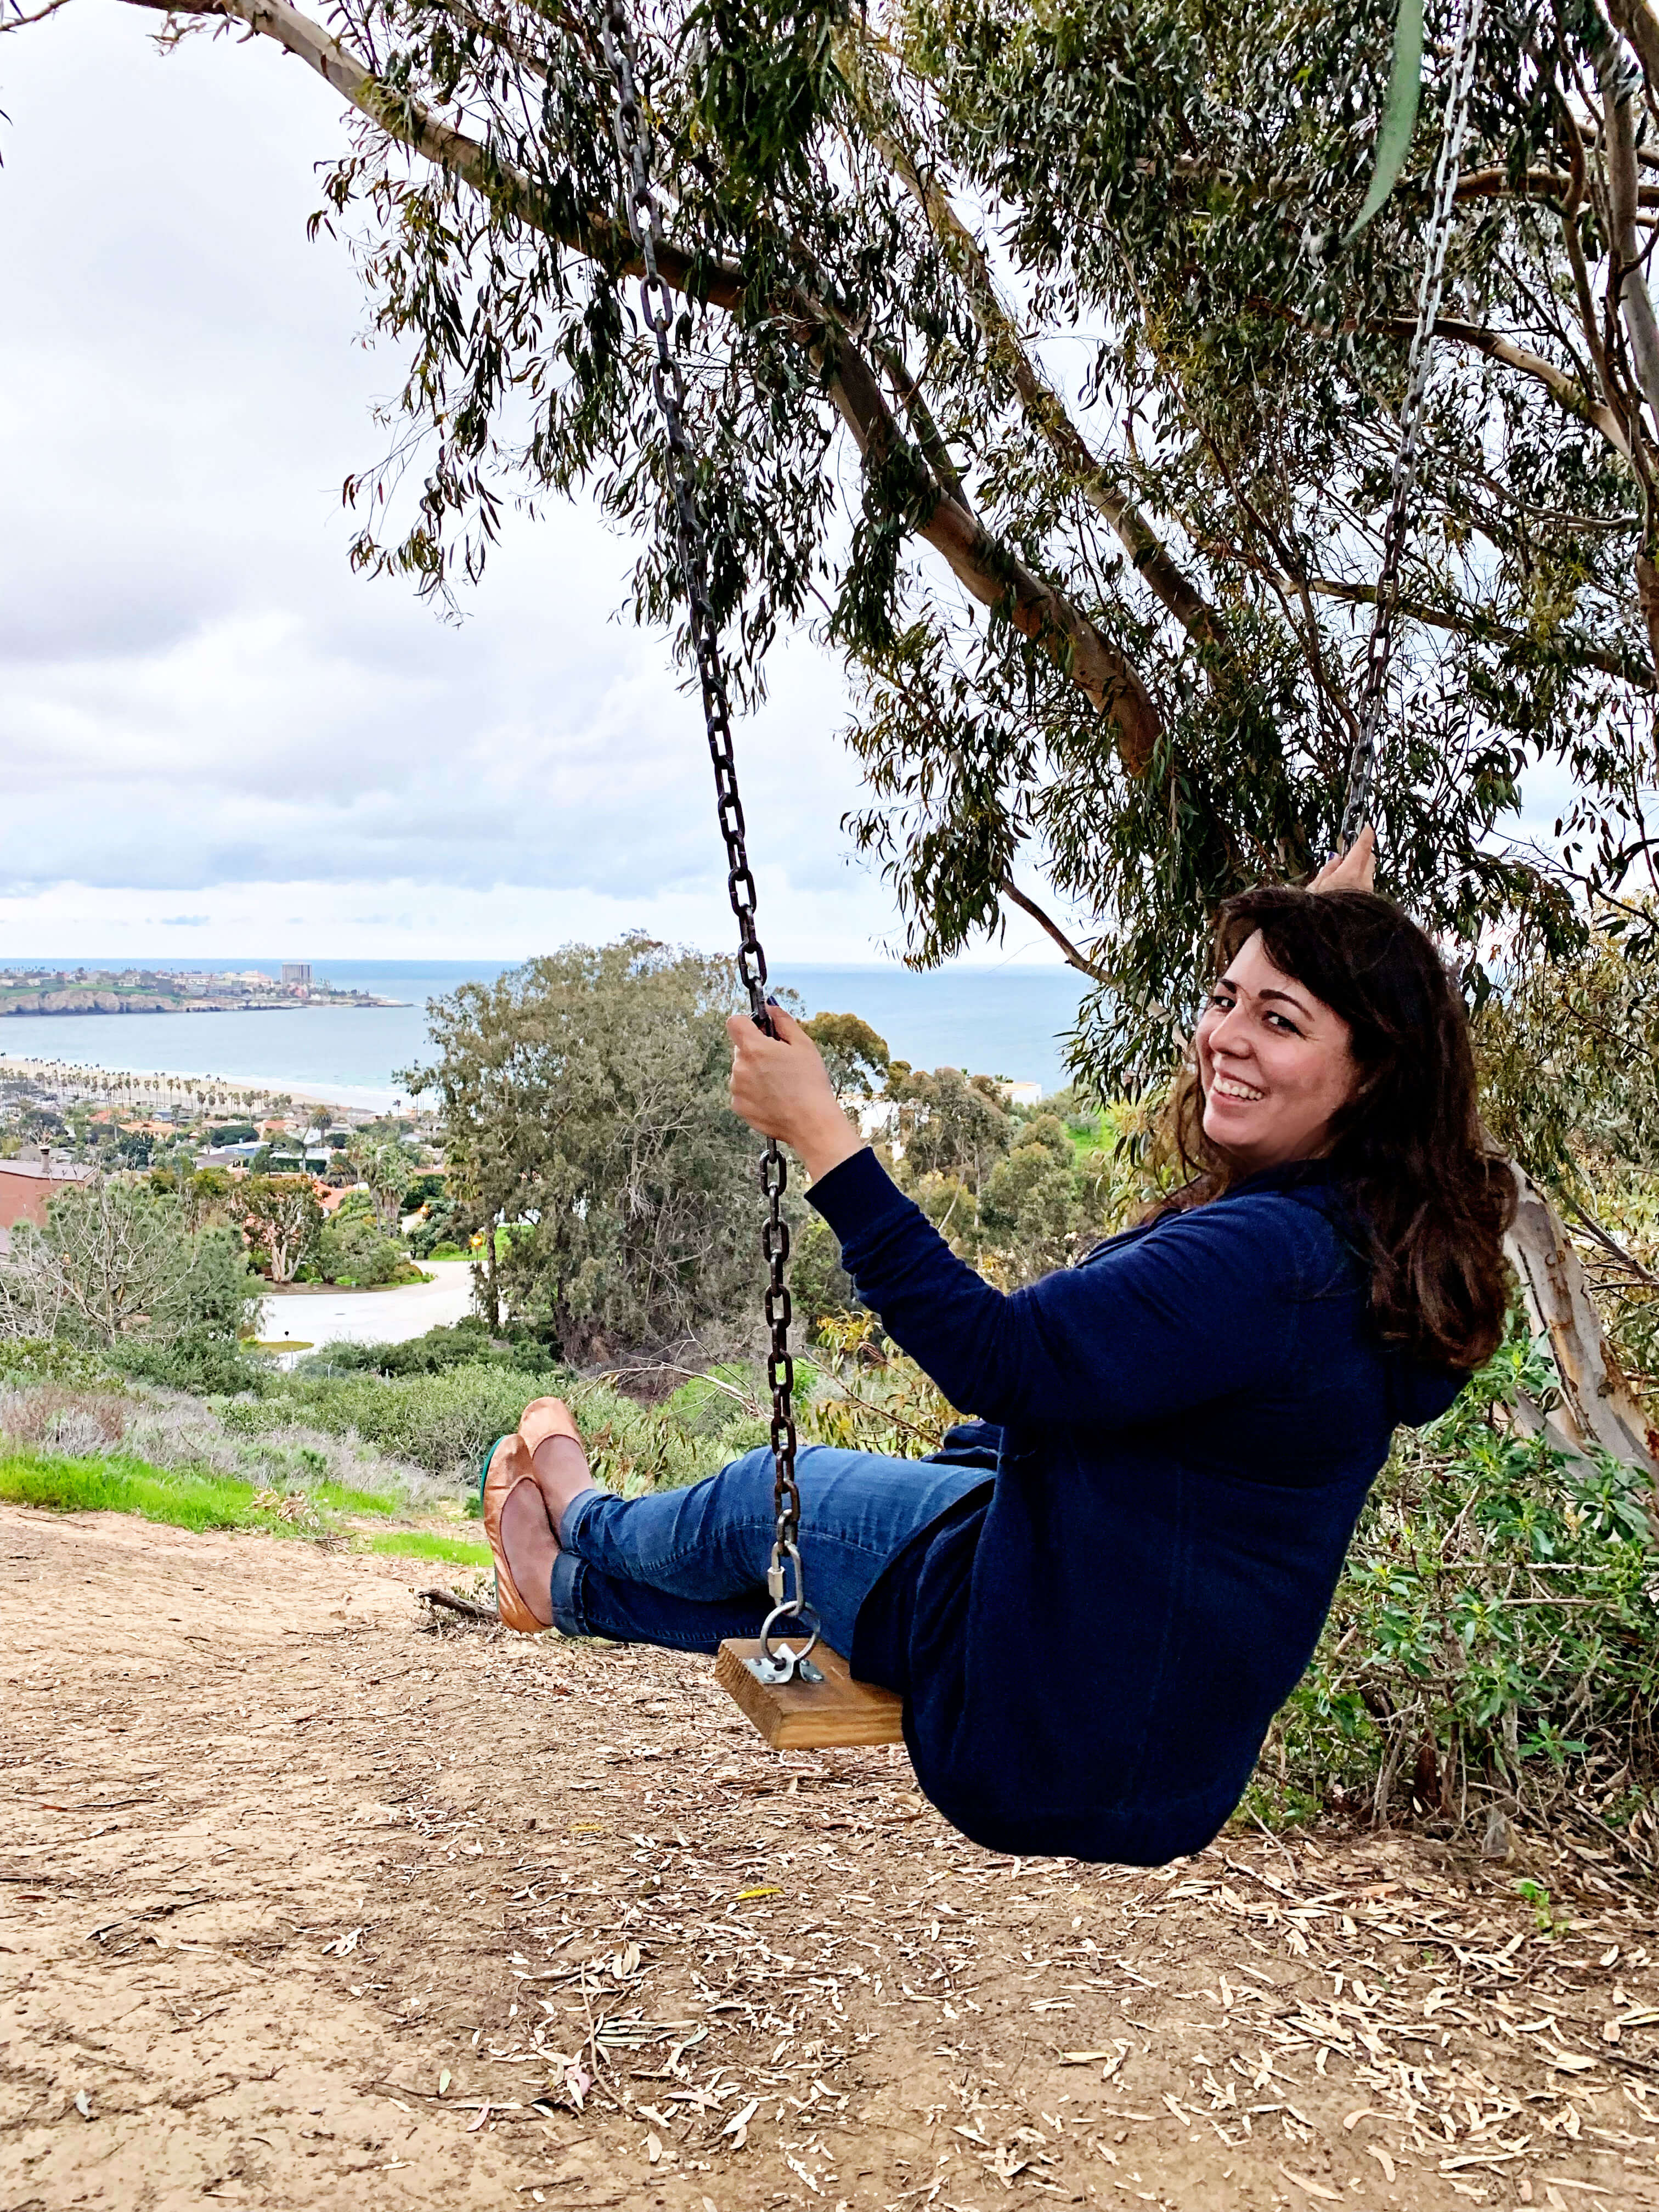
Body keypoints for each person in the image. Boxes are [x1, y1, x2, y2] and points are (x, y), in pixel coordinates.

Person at [479, 832, 1516, 1862]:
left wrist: (824, 1137)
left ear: (1377, 1075)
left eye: (1278, 1020)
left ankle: (582, 1519)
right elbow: (1185, 1283)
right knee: (826, 1543)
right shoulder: (1390, 1239)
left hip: (1036, 1704)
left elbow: (995, 1352)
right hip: (1160, 1740)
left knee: (763, 1501)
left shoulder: (1273, 1258)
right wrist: (1317, 951)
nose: (1225, 1039)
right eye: (1223, 999)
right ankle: (564, 1590)